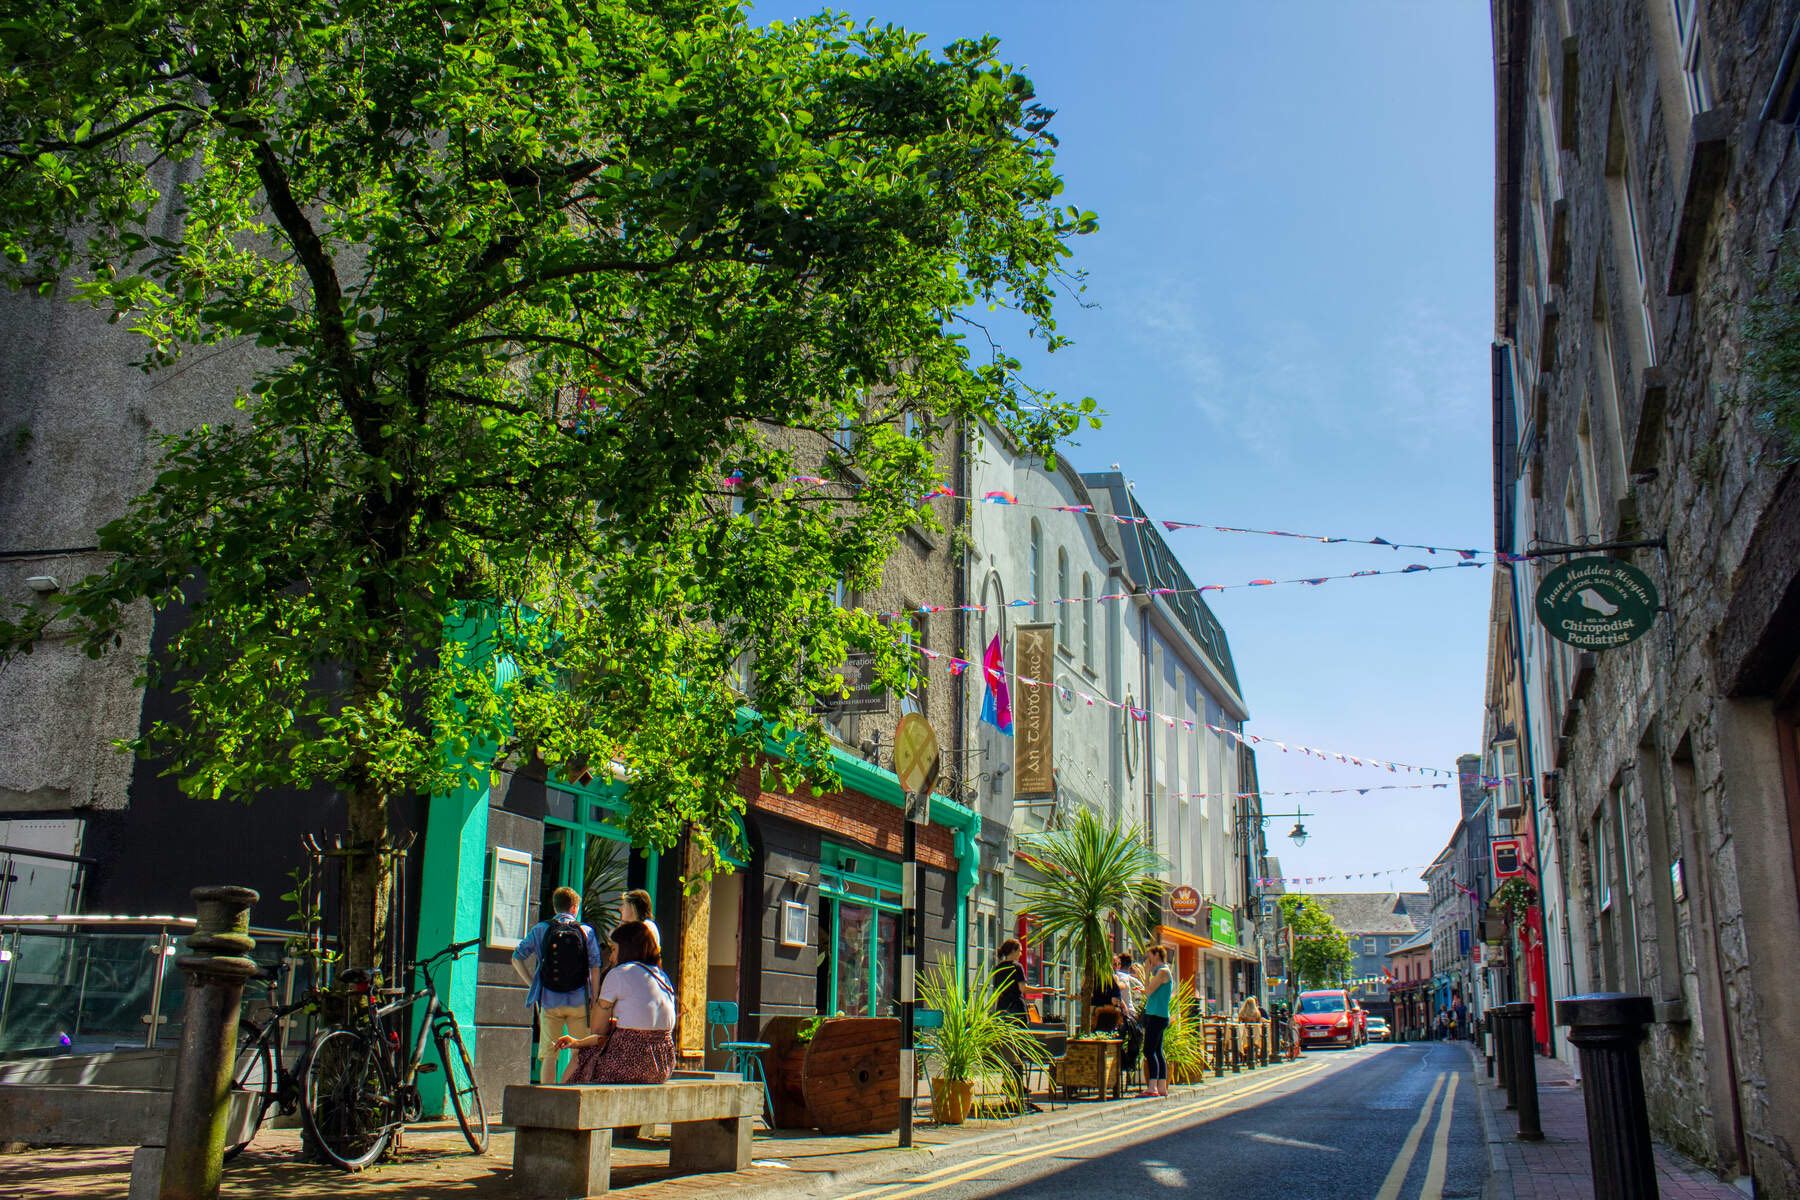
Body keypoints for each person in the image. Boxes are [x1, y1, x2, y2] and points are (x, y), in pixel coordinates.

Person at [556, 920, 677, 1084]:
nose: (611, 957)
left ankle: (562, 1101)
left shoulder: (620, 973)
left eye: (613, 949)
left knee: (583, 1055)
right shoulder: (662, 977)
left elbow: (597, 1029)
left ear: (627, 948)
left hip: (629, 1061)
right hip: (663, 1065)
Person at [513, 886, 607, 1085]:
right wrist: (595, 997)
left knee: (549, 1054)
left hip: (549, 1000)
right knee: (578, 1053)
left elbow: (516, 957)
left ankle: (547, 1096)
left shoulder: (541, 929)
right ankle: (568, 1092)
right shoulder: (586, 931)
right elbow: (595, 967)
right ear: (574, 908)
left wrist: (533, 984)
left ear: (555, 907)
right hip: (579, 1002)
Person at [1136, 944, 1173, 1098]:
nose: (1147, 959)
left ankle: (1152, 1087)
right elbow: (1148, 990)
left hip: (1157, 1015)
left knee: (1149, 1050)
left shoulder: (1163, 972)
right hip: (1158, 1014)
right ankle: (1161, 1087)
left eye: (1149, 955)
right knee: (1157, 1051)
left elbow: (1149, 990)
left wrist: (1146, 973)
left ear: (1156, 955)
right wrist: (1146, 974)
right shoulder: (1160, 972)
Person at [990, 939, 1027, 1018]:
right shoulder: (1017, 967)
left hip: (1002, 1008)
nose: (1021, 954)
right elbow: (1023, 989)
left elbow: (997, 991)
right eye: (1019, 951)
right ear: (1013, 951)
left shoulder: (998, 968)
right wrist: (1044, 990)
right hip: (1016, 1008)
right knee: (1021, 1030)